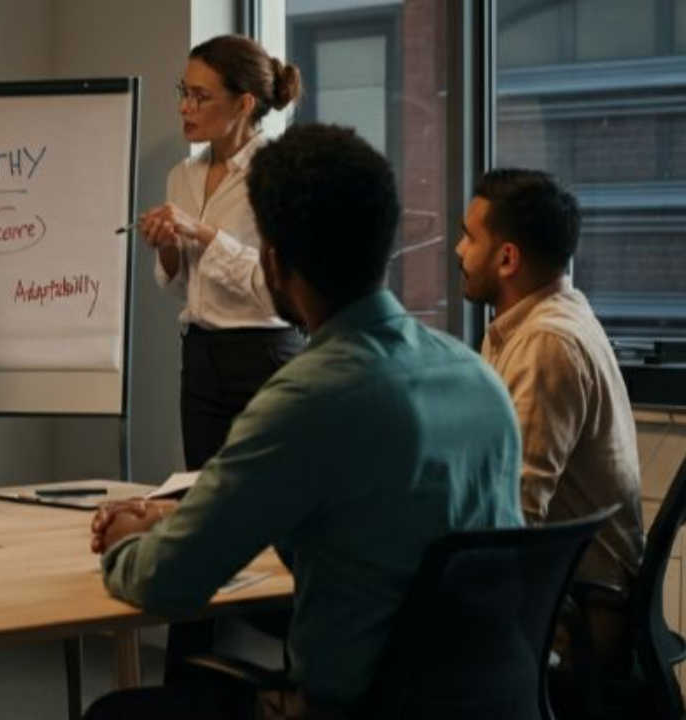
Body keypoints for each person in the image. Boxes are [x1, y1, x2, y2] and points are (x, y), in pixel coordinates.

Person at [85, 125, 524, 720]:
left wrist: (125, 545)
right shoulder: (477, 379)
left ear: (272, 258)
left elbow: (168, 584)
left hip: (357, 708)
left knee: (119, 714)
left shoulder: (307, 399)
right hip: (492, 702)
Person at [456, 169, 644, 672]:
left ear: (508, 257)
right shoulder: (550, 318)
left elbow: (515, 513)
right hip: (567, 597)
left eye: (469, 237)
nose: (457, 250)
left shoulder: (547, 344)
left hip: (577, 615)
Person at [140, 34, 305, 471]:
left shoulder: (279, 172)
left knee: (270, 499)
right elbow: (181, 287)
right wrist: (170, 247)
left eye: (200, 96)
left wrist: (205, 233)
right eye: (183, 92)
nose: (184, 107)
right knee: (200, 494)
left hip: (263, 355)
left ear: (243, 104)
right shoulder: (182, 176)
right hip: (198, 358)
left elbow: (280, 290)